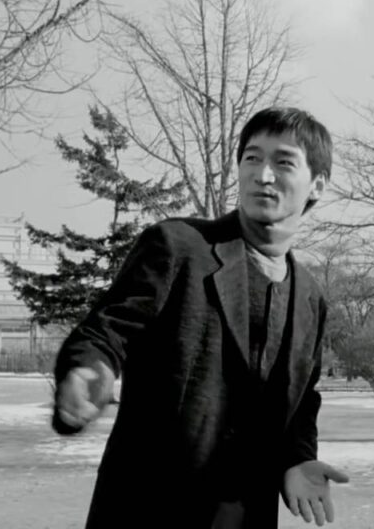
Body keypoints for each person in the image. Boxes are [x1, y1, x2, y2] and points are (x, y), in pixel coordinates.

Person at [52, 107, 349, 528]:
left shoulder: (309, 297)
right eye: (252, 158)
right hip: (149, 508)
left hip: (244, 512)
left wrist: (297, 459)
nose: (262, 175)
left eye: (283, 162)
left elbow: (300, 401)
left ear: (317, 184)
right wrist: (89, 370)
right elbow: (107, 332)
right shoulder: (178, 247)